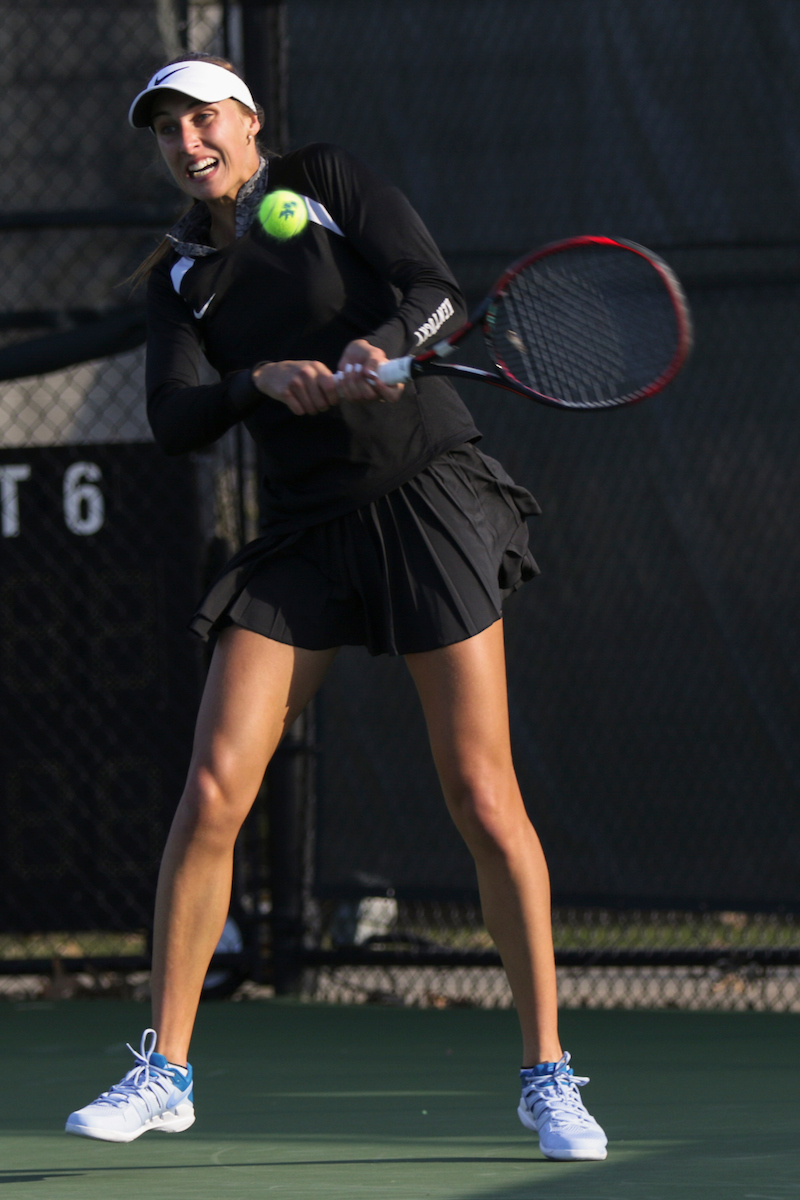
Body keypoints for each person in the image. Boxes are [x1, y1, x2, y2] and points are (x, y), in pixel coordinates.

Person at [65, 55, 607, 1162]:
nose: (185, 141)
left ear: (248, 123)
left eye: (201, 117)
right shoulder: (178, 274)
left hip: (425, 494)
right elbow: (173, 417)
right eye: (166, 129)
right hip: (307, 531)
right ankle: (164, 1069)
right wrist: (253, 383)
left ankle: (547, 1073)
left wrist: (383, 346)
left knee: (479, 791)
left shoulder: (326, 180)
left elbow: (434, 289)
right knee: (214, 785)